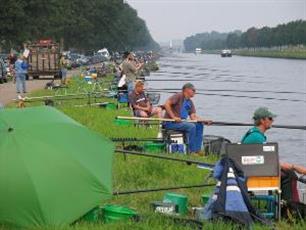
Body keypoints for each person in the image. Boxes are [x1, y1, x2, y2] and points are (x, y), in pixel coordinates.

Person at [241, 107, 306, 174]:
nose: (272, 121)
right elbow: (269, 162)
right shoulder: (257, 137)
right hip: (251, 172)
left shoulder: (254, 133)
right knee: (290, 175)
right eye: (270, 118)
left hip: (251, 168)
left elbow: (266, 159)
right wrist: (294, 167)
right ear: (262, 120)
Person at [163, 83, 212, 154]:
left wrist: (204, 121)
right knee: (191, 126)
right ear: (187, 90)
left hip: (181, 123)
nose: (195, 92)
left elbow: (193, 117)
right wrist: (173, 117)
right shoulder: (179, 96)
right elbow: (167, 104)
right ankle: (191, 151)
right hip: (171, 123)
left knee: (199, 125)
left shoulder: (190, 102)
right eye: (193, 90)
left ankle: (197, 150)